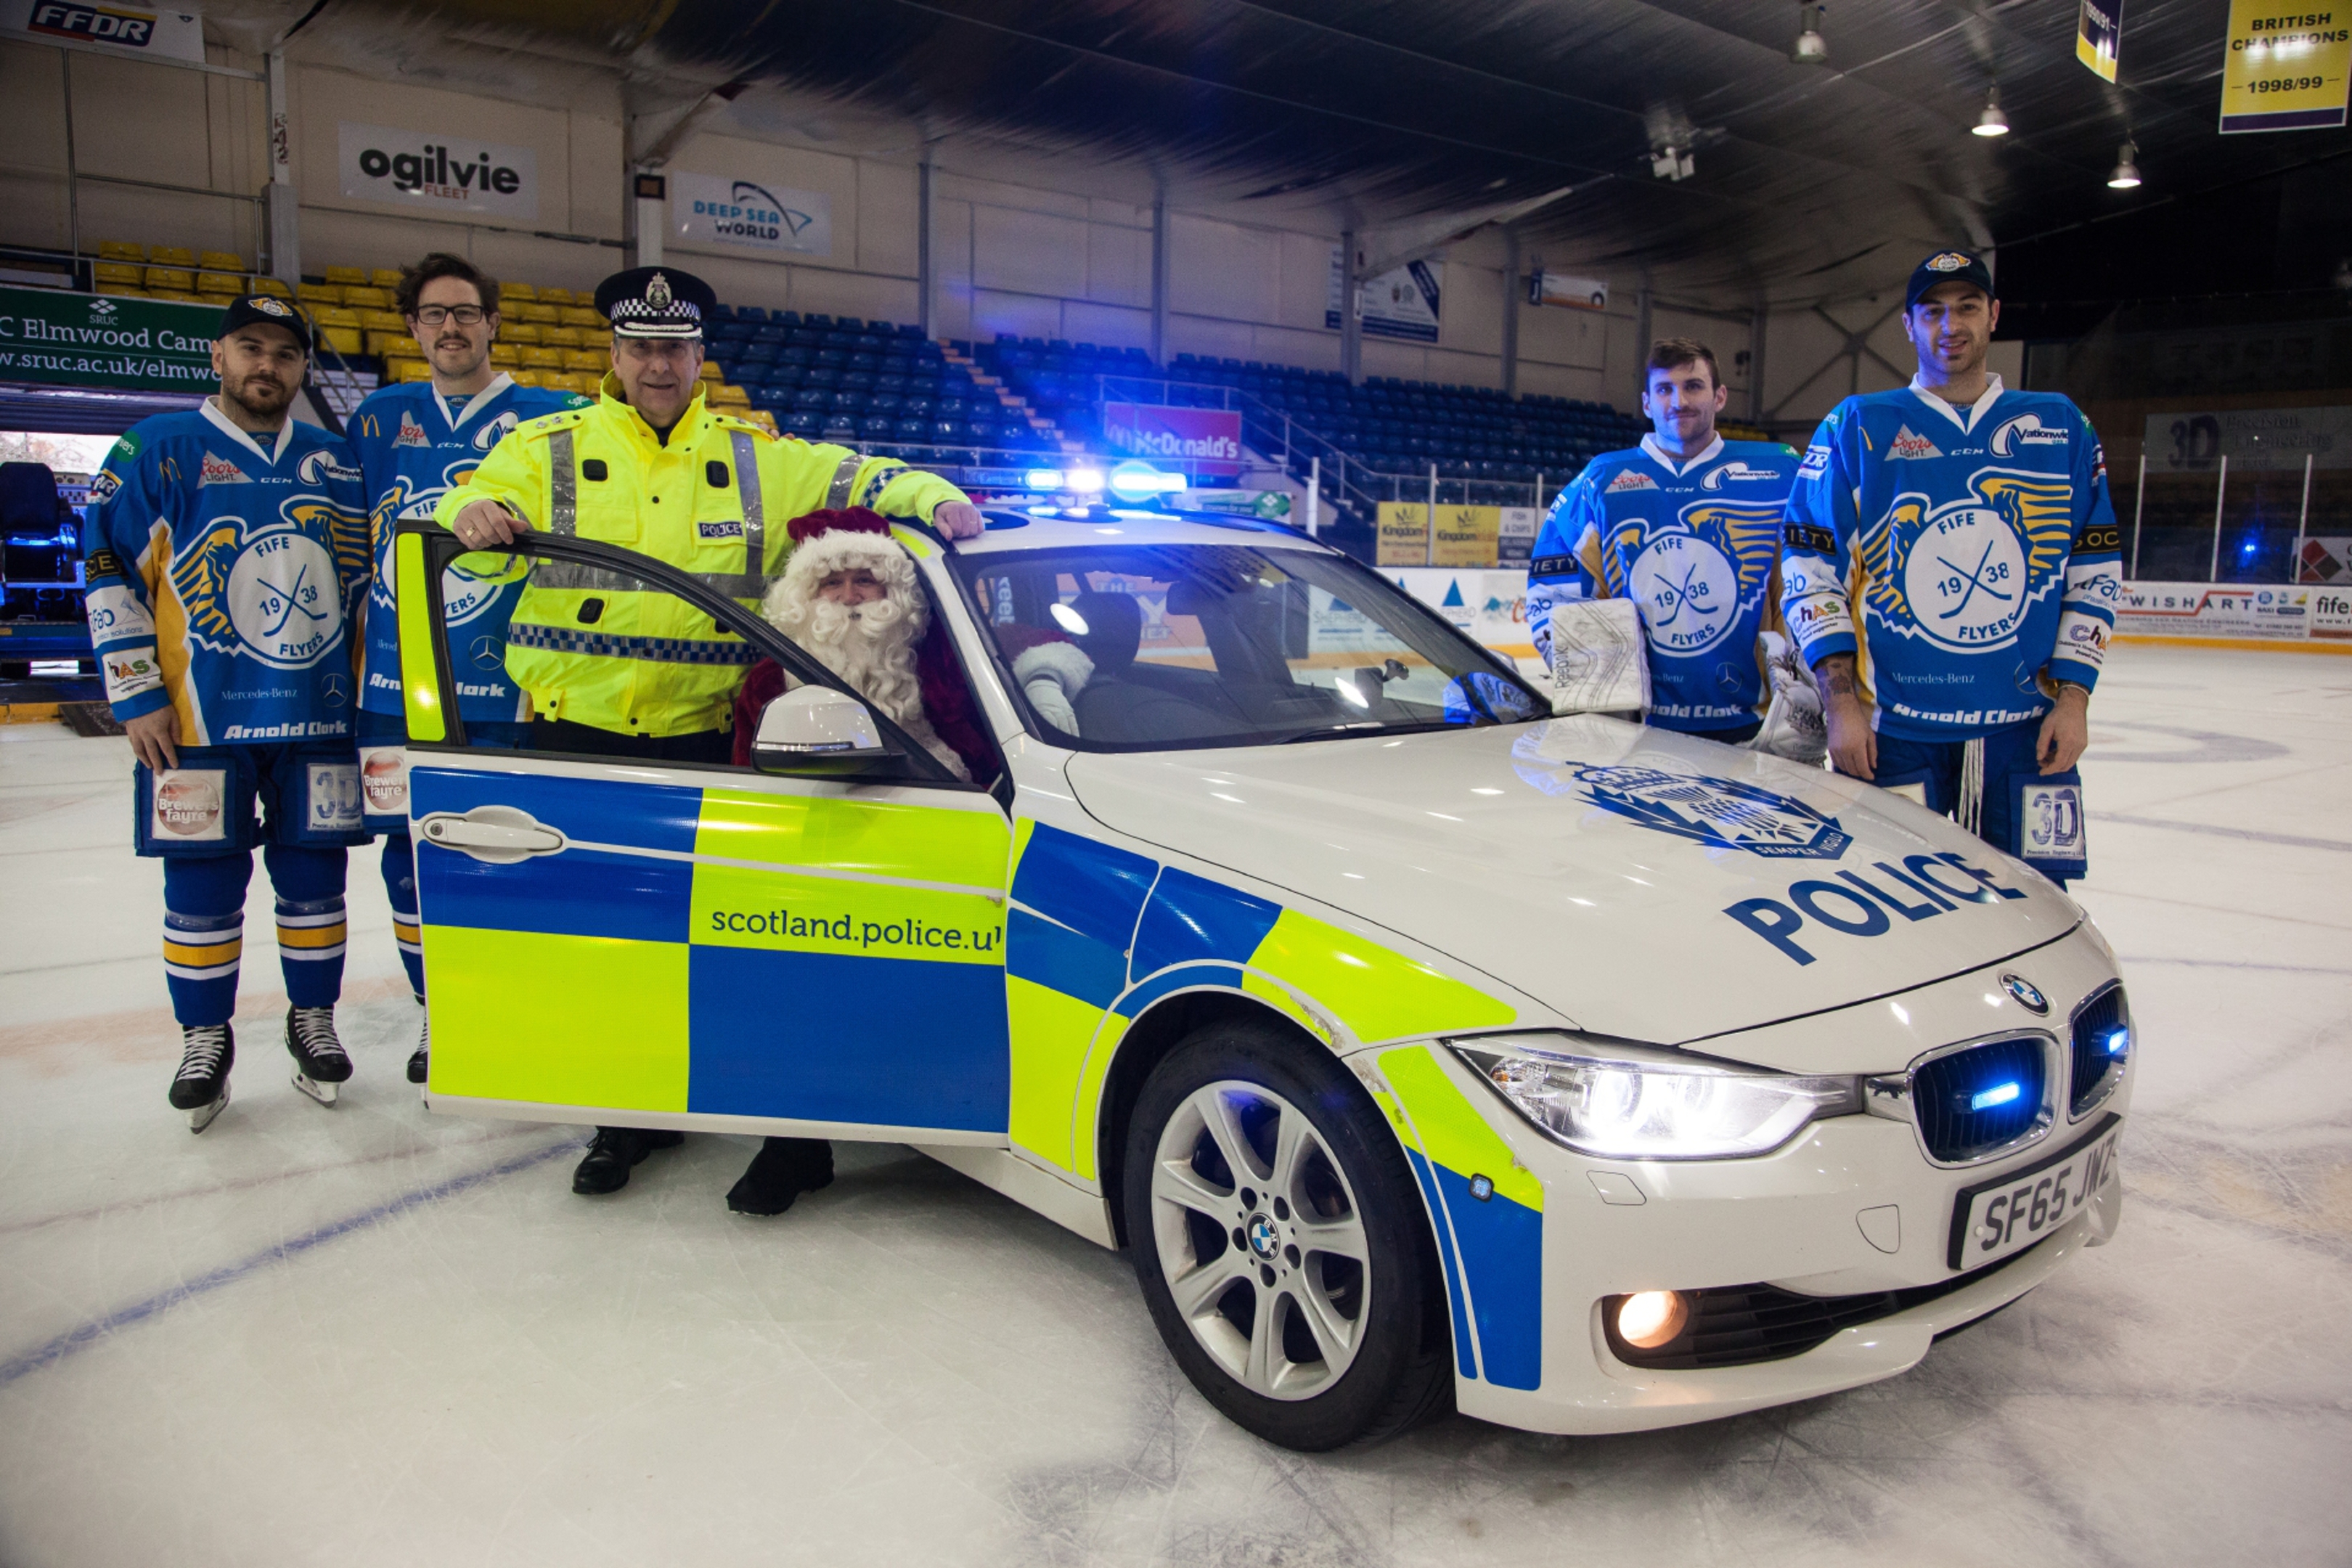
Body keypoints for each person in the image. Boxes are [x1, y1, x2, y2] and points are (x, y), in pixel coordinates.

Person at [434, 264, 988, 1204]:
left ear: (700, 358)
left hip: (705, 747)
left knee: (712, 943)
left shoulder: (759, 456)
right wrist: (471, 514)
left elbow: (872, 476)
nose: (659, 364)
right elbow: (469, 506)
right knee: (600, 942)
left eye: (676, 349)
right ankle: (621, 1121)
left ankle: (709, 1098)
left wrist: (934, 499)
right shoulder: (547, 445)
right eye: (642, 347)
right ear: (614, 354)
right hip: (582, 743)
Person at [81, 295, 371, 1131]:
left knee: (316, 886)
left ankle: (311, 1019)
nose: (267, 367)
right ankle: (203, 1037)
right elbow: (107, 567)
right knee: (202, 891)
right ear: (218, 356)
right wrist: (136, 694)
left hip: (320, 718)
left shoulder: (334, 457)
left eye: (285, 354)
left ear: (302, 369)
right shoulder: (157, 447)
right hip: (197, 726)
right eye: (251, 348)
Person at [1781, 249, 2120, 883]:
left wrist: (2075, 700)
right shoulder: (1857, 426)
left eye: (1966, 307)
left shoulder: (2060, 426)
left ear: (1994, 316)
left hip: (2027, 734)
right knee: (1893, 904)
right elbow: (1810, 565)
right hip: (1896, 732)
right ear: (1908, 326)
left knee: (2041, 904)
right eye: (1932, 311)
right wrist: (1840, 703)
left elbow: (2094, 568)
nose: (1950, 325)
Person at [712, 507, 1003, 1213]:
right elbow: (744, 791)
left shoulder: (947, 671)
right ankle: (795, 1146)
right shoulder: (764, 684)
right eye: (832, 583)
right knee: (798, 999)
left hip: (930, 861)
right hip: (809, 865)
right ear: (803, 598)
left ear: (894, 597)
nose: (847, 598)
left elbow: (992, 760)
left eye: (865, 583)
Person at [346, 253, 589, 1087]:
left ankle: (508, 1003)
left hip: (512, 689)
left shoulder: (555, 416)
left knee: (513, 852)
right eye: (433, 314)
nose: (450, 327)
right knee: (408, 858)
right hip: (394, 689)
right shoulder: (377, 420)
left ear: (493, 323)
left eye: (466, 313)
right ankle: (437, 1013)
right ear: (412, 327)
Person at [1526, 338, 1805, 745]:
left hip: (1758, 727)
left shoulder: (1779, 471)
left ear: (1720, 396)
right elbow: (1553, 590)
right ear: (1646, 402)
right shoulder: (1601, 480)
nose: (1679, 401)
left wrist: (1808, 687)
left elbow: (1812, 580)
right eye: (1665, 389)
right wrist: (1601, 689)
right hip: (1639, 733)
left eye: (1693, 386)